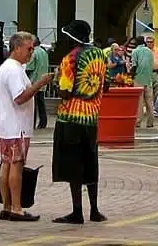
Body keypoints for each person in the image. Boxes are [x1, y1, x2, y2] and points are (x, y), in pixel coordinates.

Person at [51, 20, 107, 224]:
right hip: (92, 117)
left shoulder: (70, 58)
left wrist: (57, 81)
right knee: (91, 164)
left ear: (72, 37)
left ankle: (77, 211)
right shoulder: (100, 54)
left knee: (74, 166)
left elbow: (65, 92)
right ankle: (95, 210)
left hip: (71, 118)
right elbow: (104, 85)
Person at [0, 31, 52, 222]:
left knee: (6, 164)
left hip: (7, 124)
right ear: (17, 47)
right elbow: (20, 97)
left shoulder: (7, 68)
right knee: (16, 165)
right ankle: (16, 208)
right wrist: (40, 83)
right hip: (16, 125)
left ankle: (7, 206)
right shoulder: (14, 70)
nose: (31, 53)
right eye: (29, 49)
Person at [25, 35, 50, 129]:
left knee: (33, 105)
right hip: (43, 81)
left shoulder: (34, 53)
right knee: (41, 104)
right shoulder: (44, 52)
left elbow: (29, 68)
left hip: (34, 81)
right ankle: (43, 122)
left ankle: (32, 123)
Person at [130, 36, 156, 128]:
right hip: (149, 79)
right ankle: (150, 121)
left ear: (136, 42)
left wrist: (130, 76)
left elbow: (134, 65)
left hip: (138, 78)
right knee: (150, 101)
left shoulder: (135, 51)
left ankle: (138, 121)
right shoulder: (149, 51)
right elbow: (152, 65)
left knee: (139, 102)